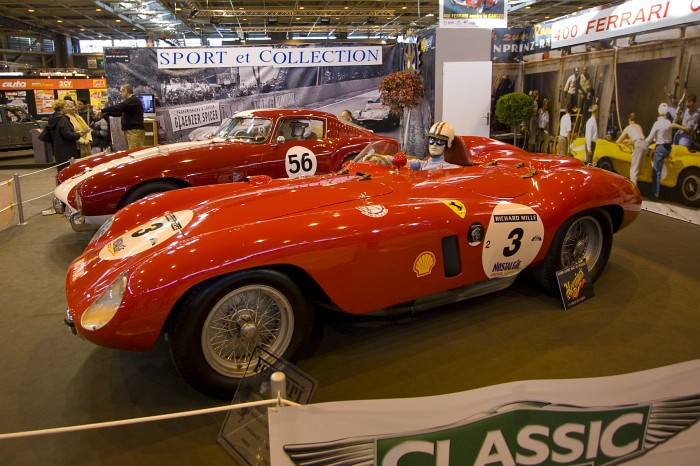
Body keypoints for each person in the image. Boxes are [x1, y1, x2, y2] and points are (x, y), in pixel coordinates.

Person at [366, 121, 460, 170]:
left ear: (448, 144)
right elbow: (410, 161)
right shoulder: (425, 163)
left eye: (440, 141)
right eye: (432, 140)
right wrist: (381, 158)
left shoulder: (451, 168)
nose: (434, 144)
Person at [46, 100, 87, 171]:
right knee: (69, 169)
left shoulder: (53, 117)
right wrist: (78, 134)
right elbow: (66, 134)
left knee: (62, 169)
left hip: (58, 148)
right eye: (65, 106)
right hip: (67, 148)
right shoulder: (63, 119)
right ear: (61, 108)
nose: (67, 108)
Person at [101, 84, 145, 149]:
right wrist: (105, 114)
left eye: (121, 91)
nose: (120, 93)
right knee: (131, 150)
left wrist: (102, 110)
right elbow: (119, 113)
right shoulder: (130, 102)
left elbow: (118, 107)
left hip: (134, 131)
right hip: (130, 130)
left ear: (126, 91)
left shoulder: (133, 100)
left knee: (134, 152)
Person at [645, 103, 673, 200]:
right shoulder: (669, 123)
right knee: (660, 170)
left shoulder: (657, 123)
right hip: (668, 147)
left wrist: (643, 142)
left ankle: (655, 193)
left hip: (660, 147)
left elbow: (650, 138)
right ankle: (658, 190)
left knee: (656, 171)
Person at [616, 112, 647, 185]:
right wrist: (630, 141)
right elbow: (639, 138)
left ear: (629, 120)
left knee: (633, 171)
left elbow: (618, 141)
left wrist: (622, 141)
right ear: (635, 120)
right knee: (638, 170)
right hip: (645, 144)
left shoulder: (628, 127)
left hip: (638, 145)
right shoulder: (638, 126)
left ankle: (633, 189)